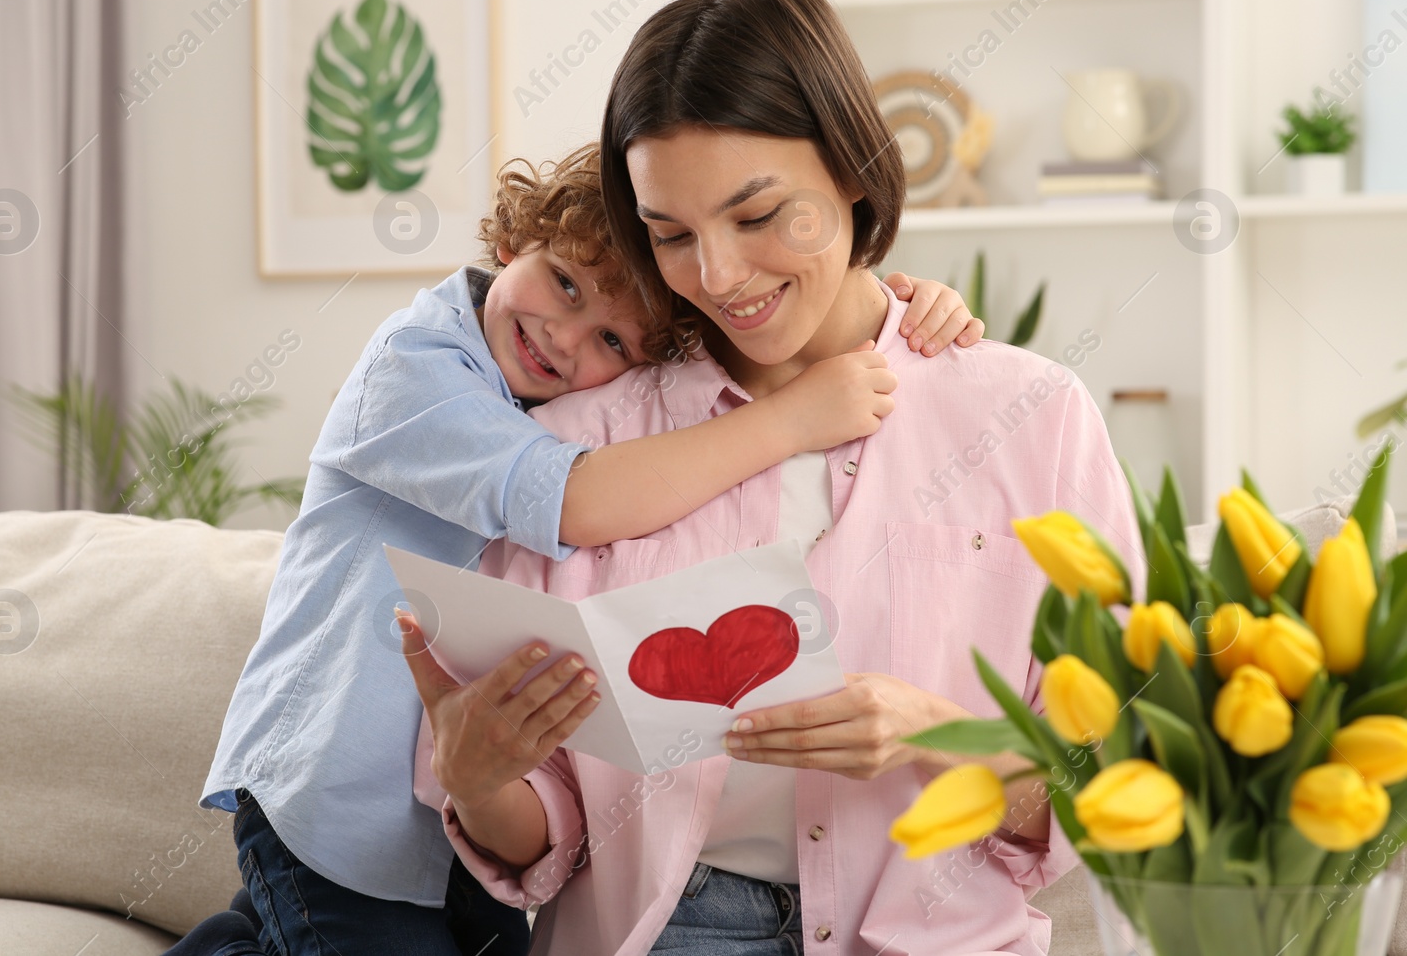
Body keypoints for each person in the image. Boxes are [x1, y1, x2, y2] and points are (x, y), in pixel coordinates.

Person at [405, 0, 1144, 956]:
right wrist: (478, 773)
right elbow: (548, 831)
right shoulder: (580, 454)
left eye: (757, 217)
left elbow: (1113, 785)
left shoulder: (1030, 417)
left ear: (850, 165)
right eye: (670, 234)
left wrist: (938, 733)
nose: (717, 275)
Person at [173, 142, 980, 956]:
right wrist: (794, 419)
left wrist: (896, 308)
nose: (564, 337)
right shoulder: (413, 369)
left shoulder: (555, 410)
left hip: (463, 820)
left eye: (614, 343)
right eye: (564, 282)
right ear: (514, 239)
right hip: (339, 802)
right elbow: (582, 501)